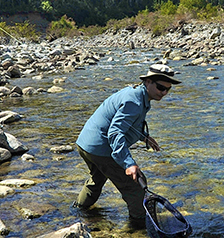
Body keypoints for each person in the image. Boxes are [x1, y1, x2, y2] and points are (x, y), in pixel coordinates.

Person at [74, 63, 180, 227]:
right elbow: (115, 133)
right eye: (160, 87)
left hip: (85, 144)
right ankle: (138, 228)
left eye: (168, 89)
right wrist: (129, 164)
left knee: (97, 178)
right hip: (100, 148)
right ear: (148, 81)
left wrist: (144, 137)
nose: (164, 93)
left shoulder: (136, 94)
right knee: (136, 186)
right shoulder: (134, 102)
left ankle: (79, 211)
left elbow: (129, 124)